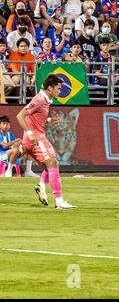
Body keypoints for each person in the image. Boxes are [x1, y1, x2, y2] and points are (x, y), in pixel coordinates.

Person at [4, 74, 76, 209]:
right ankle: (59, 201)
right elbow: (20, 116)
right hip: (35, 137)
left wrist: (49, 120)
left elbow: (34, 117)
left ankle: (42, 186)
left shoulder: (45, 99)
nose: (60, 91)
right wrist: (31, 134)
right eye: (58, 88)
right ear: (50, 88)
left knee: (52, 164)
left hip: (36, 136)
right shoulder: (39, 100)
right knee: (53, 162)